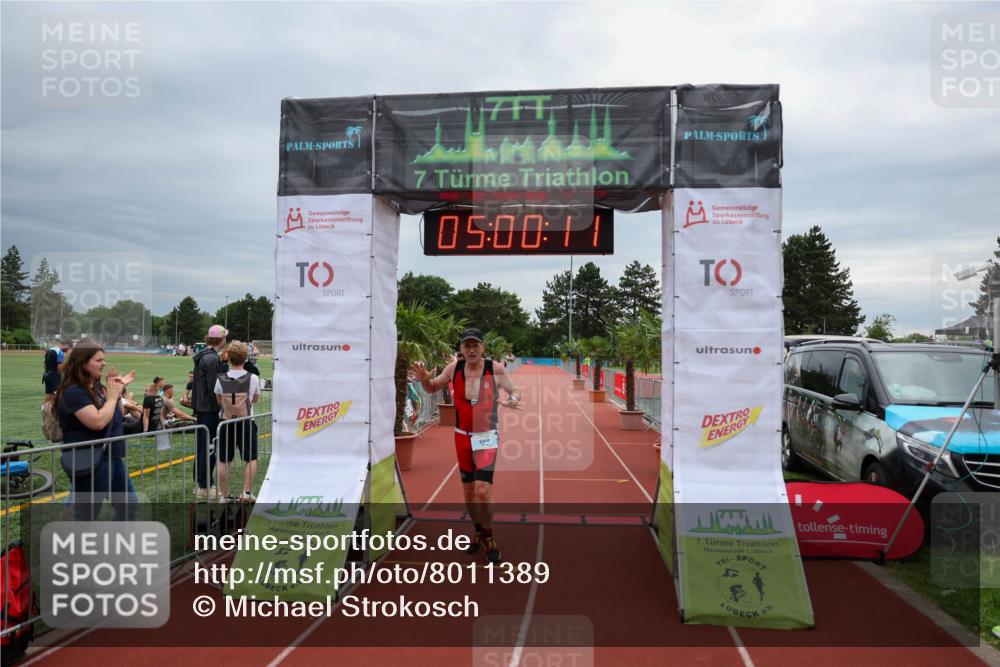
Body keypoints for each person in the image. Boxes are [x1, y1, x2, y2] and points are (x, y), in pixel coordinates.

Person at [411, 327, 522, 564]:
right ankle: (478, 530)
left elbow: (514, 390)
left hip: (486, 436)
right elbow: (432, 387)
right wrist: (424, 380)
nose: (471, 350)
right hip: (461, 436)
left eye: (475, 345)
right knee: (469, 492)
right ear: (461, 349)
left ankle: (488, 536)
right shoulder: (454, 369)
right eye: (466, 346)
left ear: (483, 348)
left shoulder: (495, 369)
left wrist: (512, 400)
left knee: (483, 490)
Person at [53, 339, 137, 520]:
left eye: (103, 359)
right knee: (85, 515)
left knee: (130, 506)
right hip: (91, 460)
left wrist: (117, 392)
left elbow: (117, 415)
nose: (104, 363)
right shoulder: (73, 391)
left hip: (112, 457)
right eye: (98, 360)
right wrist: (113, 398)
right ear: (83, 362)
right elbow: (97, 421)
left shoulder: (97, 386)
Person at [214, 340, 260, 503]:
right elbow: (254, 399)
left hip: (226, 422)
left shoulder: (220, 378)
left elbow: (219, 401)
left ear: (229, 357)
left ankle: (225, 495)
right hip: (246, 421)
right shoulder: (253, 378)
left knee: (224, 460)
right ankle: (246, 493)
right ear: (245, 357)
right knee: (250, 458)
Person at [192, 324, 228, 499]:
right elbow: (216, 388)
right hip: (210, 408)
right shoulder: (212, 359)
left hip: (202, 406)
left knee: (202, 446)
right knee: (210, 447)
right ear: (221, 339)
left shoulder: (205, 356)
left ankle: (199, 482)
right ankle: (205, 485)